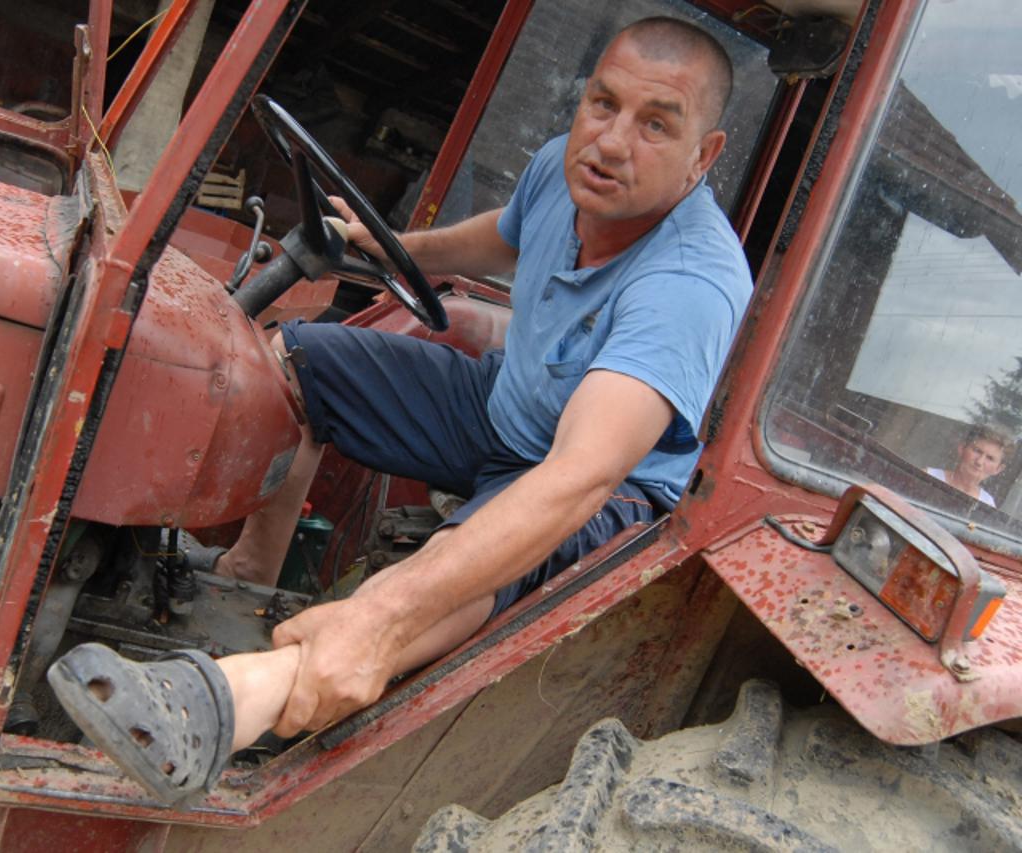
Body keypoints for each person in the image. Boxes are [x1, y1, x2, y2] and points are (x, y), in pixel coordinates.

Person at [47, 16, 754, 804]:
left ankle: (226, 705)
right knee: (294, 362)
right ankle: (249, 574)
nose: (612, 141)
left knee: (463, 569)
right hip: (505, 408)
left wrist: (381, 611)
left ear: (705, 154)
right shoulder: (567, 169)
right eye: (603, 103)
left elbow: (576, 477)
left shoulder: (691, 282)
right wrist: (393, 249)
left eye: (656, 124)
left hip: (602, 488)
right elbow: (504, 238)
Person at [927, 423, 1013, 507]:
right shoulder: (928, 477)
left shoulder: (987, 504)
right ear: (962, 448)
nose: (979, 462)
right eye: (977, 451)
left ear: (998, 469)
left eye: (990, 458)